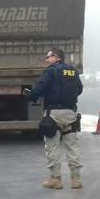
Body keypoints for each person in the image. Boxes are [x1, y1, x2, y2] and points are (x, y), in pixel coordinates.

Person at [27, 47, 84, 189]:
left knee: (52, 146)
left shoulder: (51, 71)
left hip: (54, 114)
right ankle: (76, 179)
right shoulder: (73, 71)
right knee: (72, 146)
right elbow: (80, 88)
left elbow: (40, 88)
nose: (47, 60)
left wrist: (30, 95)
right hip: (71, 113)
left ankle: (56, 179)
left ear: (56, 57)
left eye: (48, 57)